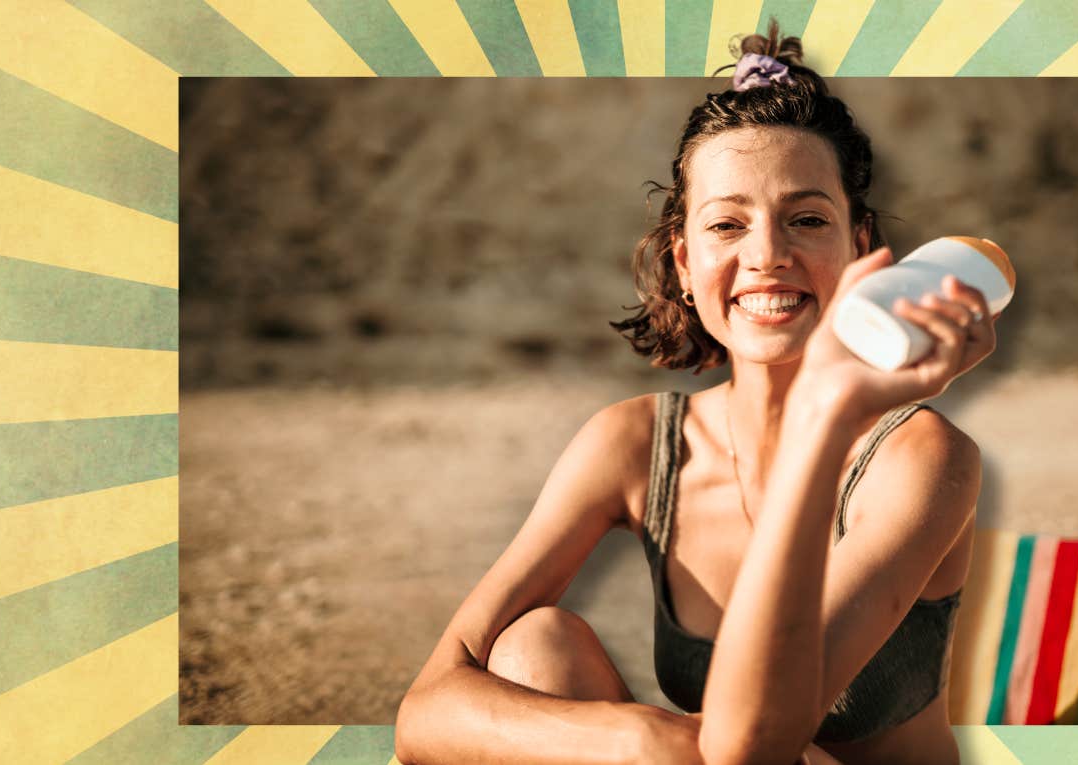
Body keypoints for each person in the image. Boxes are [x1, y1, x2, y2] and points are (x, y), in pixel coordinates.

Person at [395, 24, 995, 765]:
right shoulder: (637, 444)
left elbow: (750, 746)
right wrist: (639, 736)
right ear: (684, 261)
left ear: (861, 246)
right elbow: (426, 709)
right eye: (727, 224)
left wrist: (825, 411)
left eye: (807, 219)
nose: (768, 255)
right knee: (531, 649)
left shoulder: (924, 459)